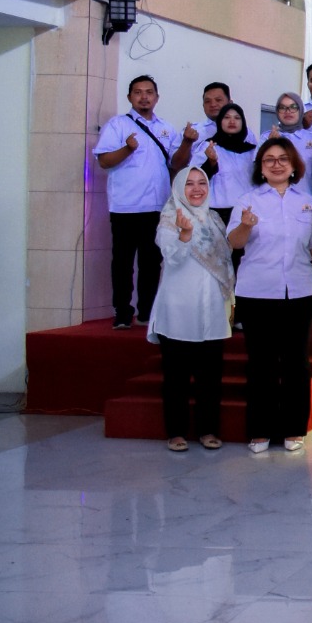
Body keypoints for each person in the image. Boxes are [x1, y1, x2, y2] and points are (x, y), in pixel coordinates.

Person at [227, 138, 312, 454]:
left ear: (294, 165)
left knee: (296, 363)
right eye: (269, 159)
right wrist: (245, 225)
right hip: (257, 292)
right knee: (262, 363)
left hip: (300, 290)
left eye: (283, 158)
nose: (276, 164)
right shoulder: (247, 201)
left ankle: (294, 428)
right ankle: (260, 430)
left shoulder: (309, 203)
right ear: (261, 167)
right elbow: (234, 243)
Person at [147, 166, 233, 452]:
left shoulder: (214, 219)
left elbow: (225, 261)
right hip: (178, 309)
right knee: (177, 377)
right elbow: (172, 258)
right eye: (190, 184)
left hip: (212, 307)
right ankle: (176, 432)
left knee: (211, 377)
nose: (197, 189)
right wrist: (185, 234)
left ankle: (208, 430)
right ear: (179, 189)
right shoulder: (170, 218)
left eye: (202, 183)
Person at [94, 75, 179, 328]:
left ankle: (146, 313)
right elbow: (104, 161)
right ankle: (122, 312)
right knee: (122, 263)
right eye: (138, 92)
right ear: (129, 97)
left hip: (157, 206)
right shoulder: (118, 125)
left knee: (151, 263)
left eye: (149, 92)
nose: (144, 97)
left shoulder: (167, 128)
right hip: (125, 207)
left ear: (157, 97)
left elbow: (176, 164)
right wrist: (128, 148)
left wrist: (187, 142)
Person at [195, 103, 257, 227]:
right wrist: (211, 162)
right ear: (220, 121)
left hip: (247, 211)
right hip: (217, 213)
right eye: (227, 117)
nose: (232, 121)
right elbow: (195, 178)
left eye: (237, 118)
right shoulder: (209, 147)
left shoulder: (252, 150)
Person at [267, 92, 312, 196]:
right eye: (282, 108)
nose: (288, 111)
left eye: (293, 107)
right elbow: (260, 169)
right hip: (273, 198)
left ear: (301, 110)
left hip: (304, 198)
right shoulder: (267, 137)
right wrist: (270, 146)